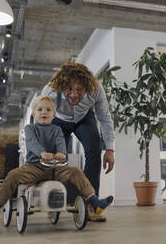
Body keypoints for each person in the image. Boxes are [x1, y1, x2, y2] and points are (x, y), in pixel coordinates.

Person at [0, 95, 113, 221]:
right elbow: (32, 143)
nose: (44, 112)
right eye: (40, 110)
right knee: (13, 175)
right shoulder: (30, 129)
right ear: (34, 113)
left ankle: (94, 202)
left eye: (48, 110)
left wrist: (62, 153)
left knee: (76, 171)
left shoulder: (57, 129)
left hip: (55, 168)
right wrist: (42, 153)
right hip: (34, 167)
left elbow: (61, 143)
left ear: (54, 115)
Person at [41, 62, 115, 222]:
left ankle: (91, 205)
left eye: (79, 89)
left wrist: (110, 150)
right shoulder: (50, 91)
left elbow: (104, 118)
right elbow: (41, 119)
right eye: (69, 89)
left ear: (86, 87)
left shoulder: (96, 89)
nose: (74, 94)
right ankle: (54, 201)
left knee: (95, 150)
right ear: (61, 86)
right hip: (58, 120)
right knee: (57, 157)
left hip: (83, 119)